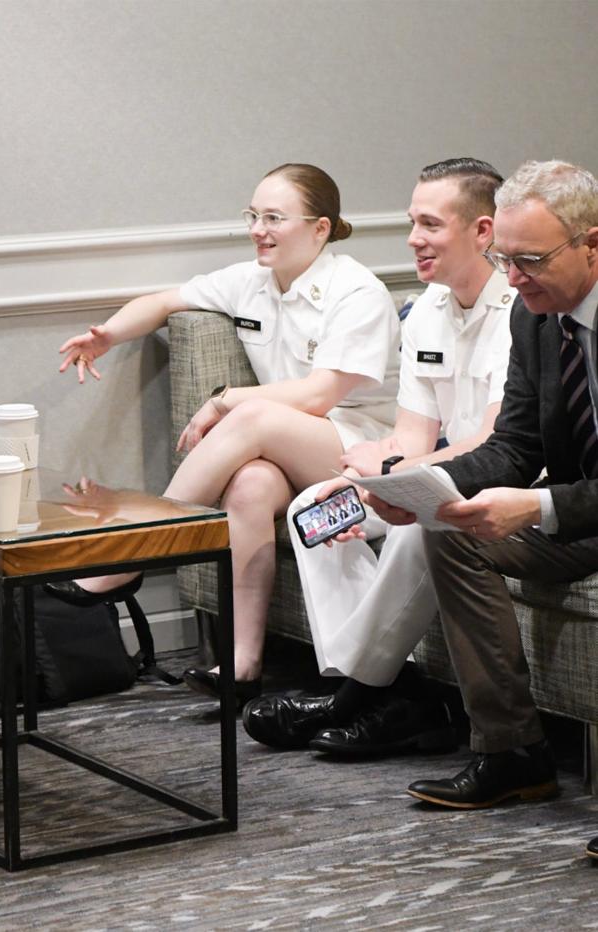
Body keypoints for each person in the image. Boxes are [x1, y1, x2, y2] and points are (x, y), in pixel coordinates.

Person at [56, 164, 401, 703]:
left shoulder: (358, 292)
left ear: (321, 229)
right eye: (254, 216)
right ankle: (241, 666)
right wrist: (107, 336)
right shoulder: (251, 282)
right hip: (295, 446)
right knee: (251, 486)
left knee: (251, 418)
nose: (259, 229)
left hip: (367, 453)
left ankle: (131, 557)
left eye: (274, 218)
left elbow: (317, 397)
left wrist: (228, 401)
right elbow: (165, 301)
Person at [244, 158, 517, 757]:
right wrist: (373, 476)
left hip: (502, 485)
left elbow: (503, 444)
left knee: (427, 524)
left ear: (483, 231)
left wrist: (400, 479)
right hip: (440, 473)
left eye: (430, 224)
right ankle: (395, 691)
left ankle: (354, 697)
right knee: (317, 508)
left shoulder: (520, 313)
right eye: (410, 222)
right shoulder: (425, 313)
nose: (414, 238)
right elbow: (414, 437)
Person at [371, 162, 598, 852]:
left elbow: (534, 489)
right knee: (451, 533)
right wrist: (417, 487)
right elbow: (514, 446)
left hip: (576, 508)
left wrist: (538, 508)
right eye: (506, 259)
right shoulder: (537, 321)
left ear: (593, 245)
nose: (515, 278)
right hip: (584, 511)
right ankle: (513, 755)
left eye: (531, 260)